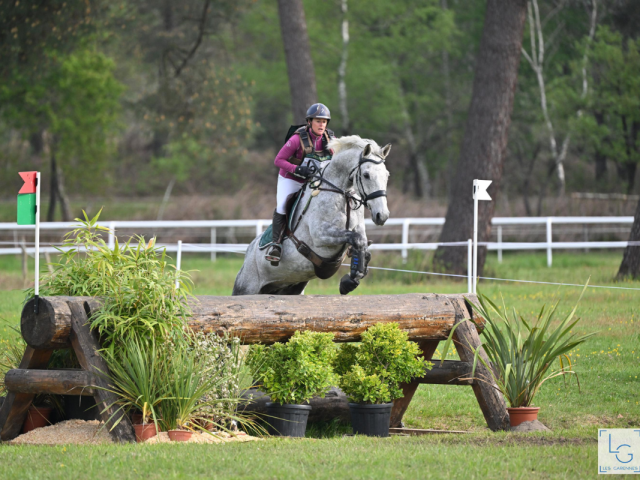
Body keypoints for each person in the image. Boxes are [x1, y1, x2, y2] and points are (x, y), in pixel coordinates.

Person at [265, 103, 335, 265]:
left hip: (313, 181)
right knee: (283, 206)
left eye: (324, 121)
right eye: (318, 121)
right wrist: (297, 169)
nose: (321, 125)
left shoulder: (330, 139)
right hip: (291, 179)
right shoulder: (297, 139)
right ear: (309, 122)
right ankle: (276, 245)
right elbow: (278, 160)